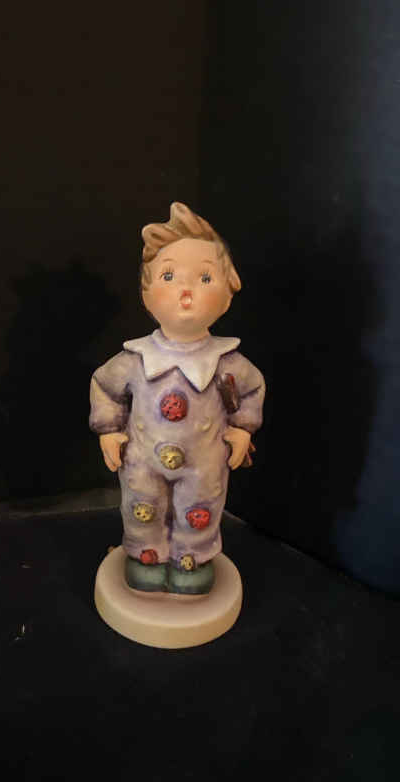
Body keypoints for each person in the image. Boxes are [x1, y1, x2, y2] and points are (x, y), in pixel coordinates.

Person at [89, 202, 265, 594]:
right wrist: (109, 430)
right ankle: (145, 555)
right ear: (146, 292)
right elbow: (104, 386)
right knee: (143, 506)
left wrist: (242, 429)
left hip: (204, 462)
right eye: (169, 276)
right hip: (142, 458)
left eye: (205, 277)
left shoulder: (227, 362)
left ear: (229, 291)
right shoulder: (135, 359)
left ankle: (192, 561)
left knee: (199, 509)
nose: (186, 291)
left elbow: (252, 389)